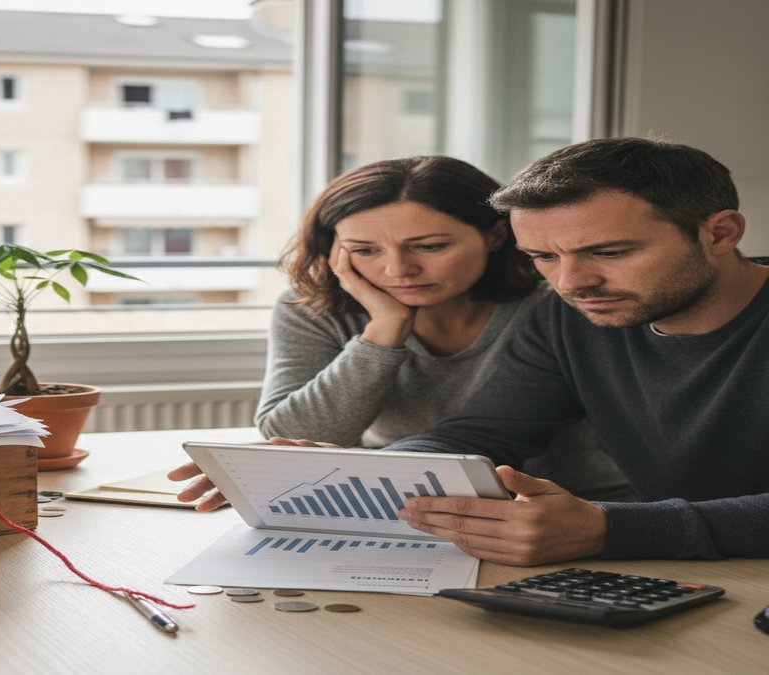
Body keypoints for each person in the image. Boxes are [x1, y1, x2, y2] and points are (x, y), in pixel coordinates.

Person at [170, 155, 631, 510]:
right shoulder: (314, 307)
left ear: (496, 235)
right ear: (334, 251)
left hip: (570, 505)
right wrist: (383, 331)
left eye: (429, 246)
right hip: (397, 501)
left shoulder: (564, 303)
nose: (398, 270)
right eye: (365, 250)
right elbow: (290, 435)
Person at [388, 136, 769, 565]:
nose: (571, 283)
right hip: (693, 570)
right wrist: (375, 470)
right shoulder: (568, 319)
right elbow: (480, 435)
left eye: (610, 252)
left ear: (720, 234)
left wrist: (609, 528)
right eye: (543, 256)